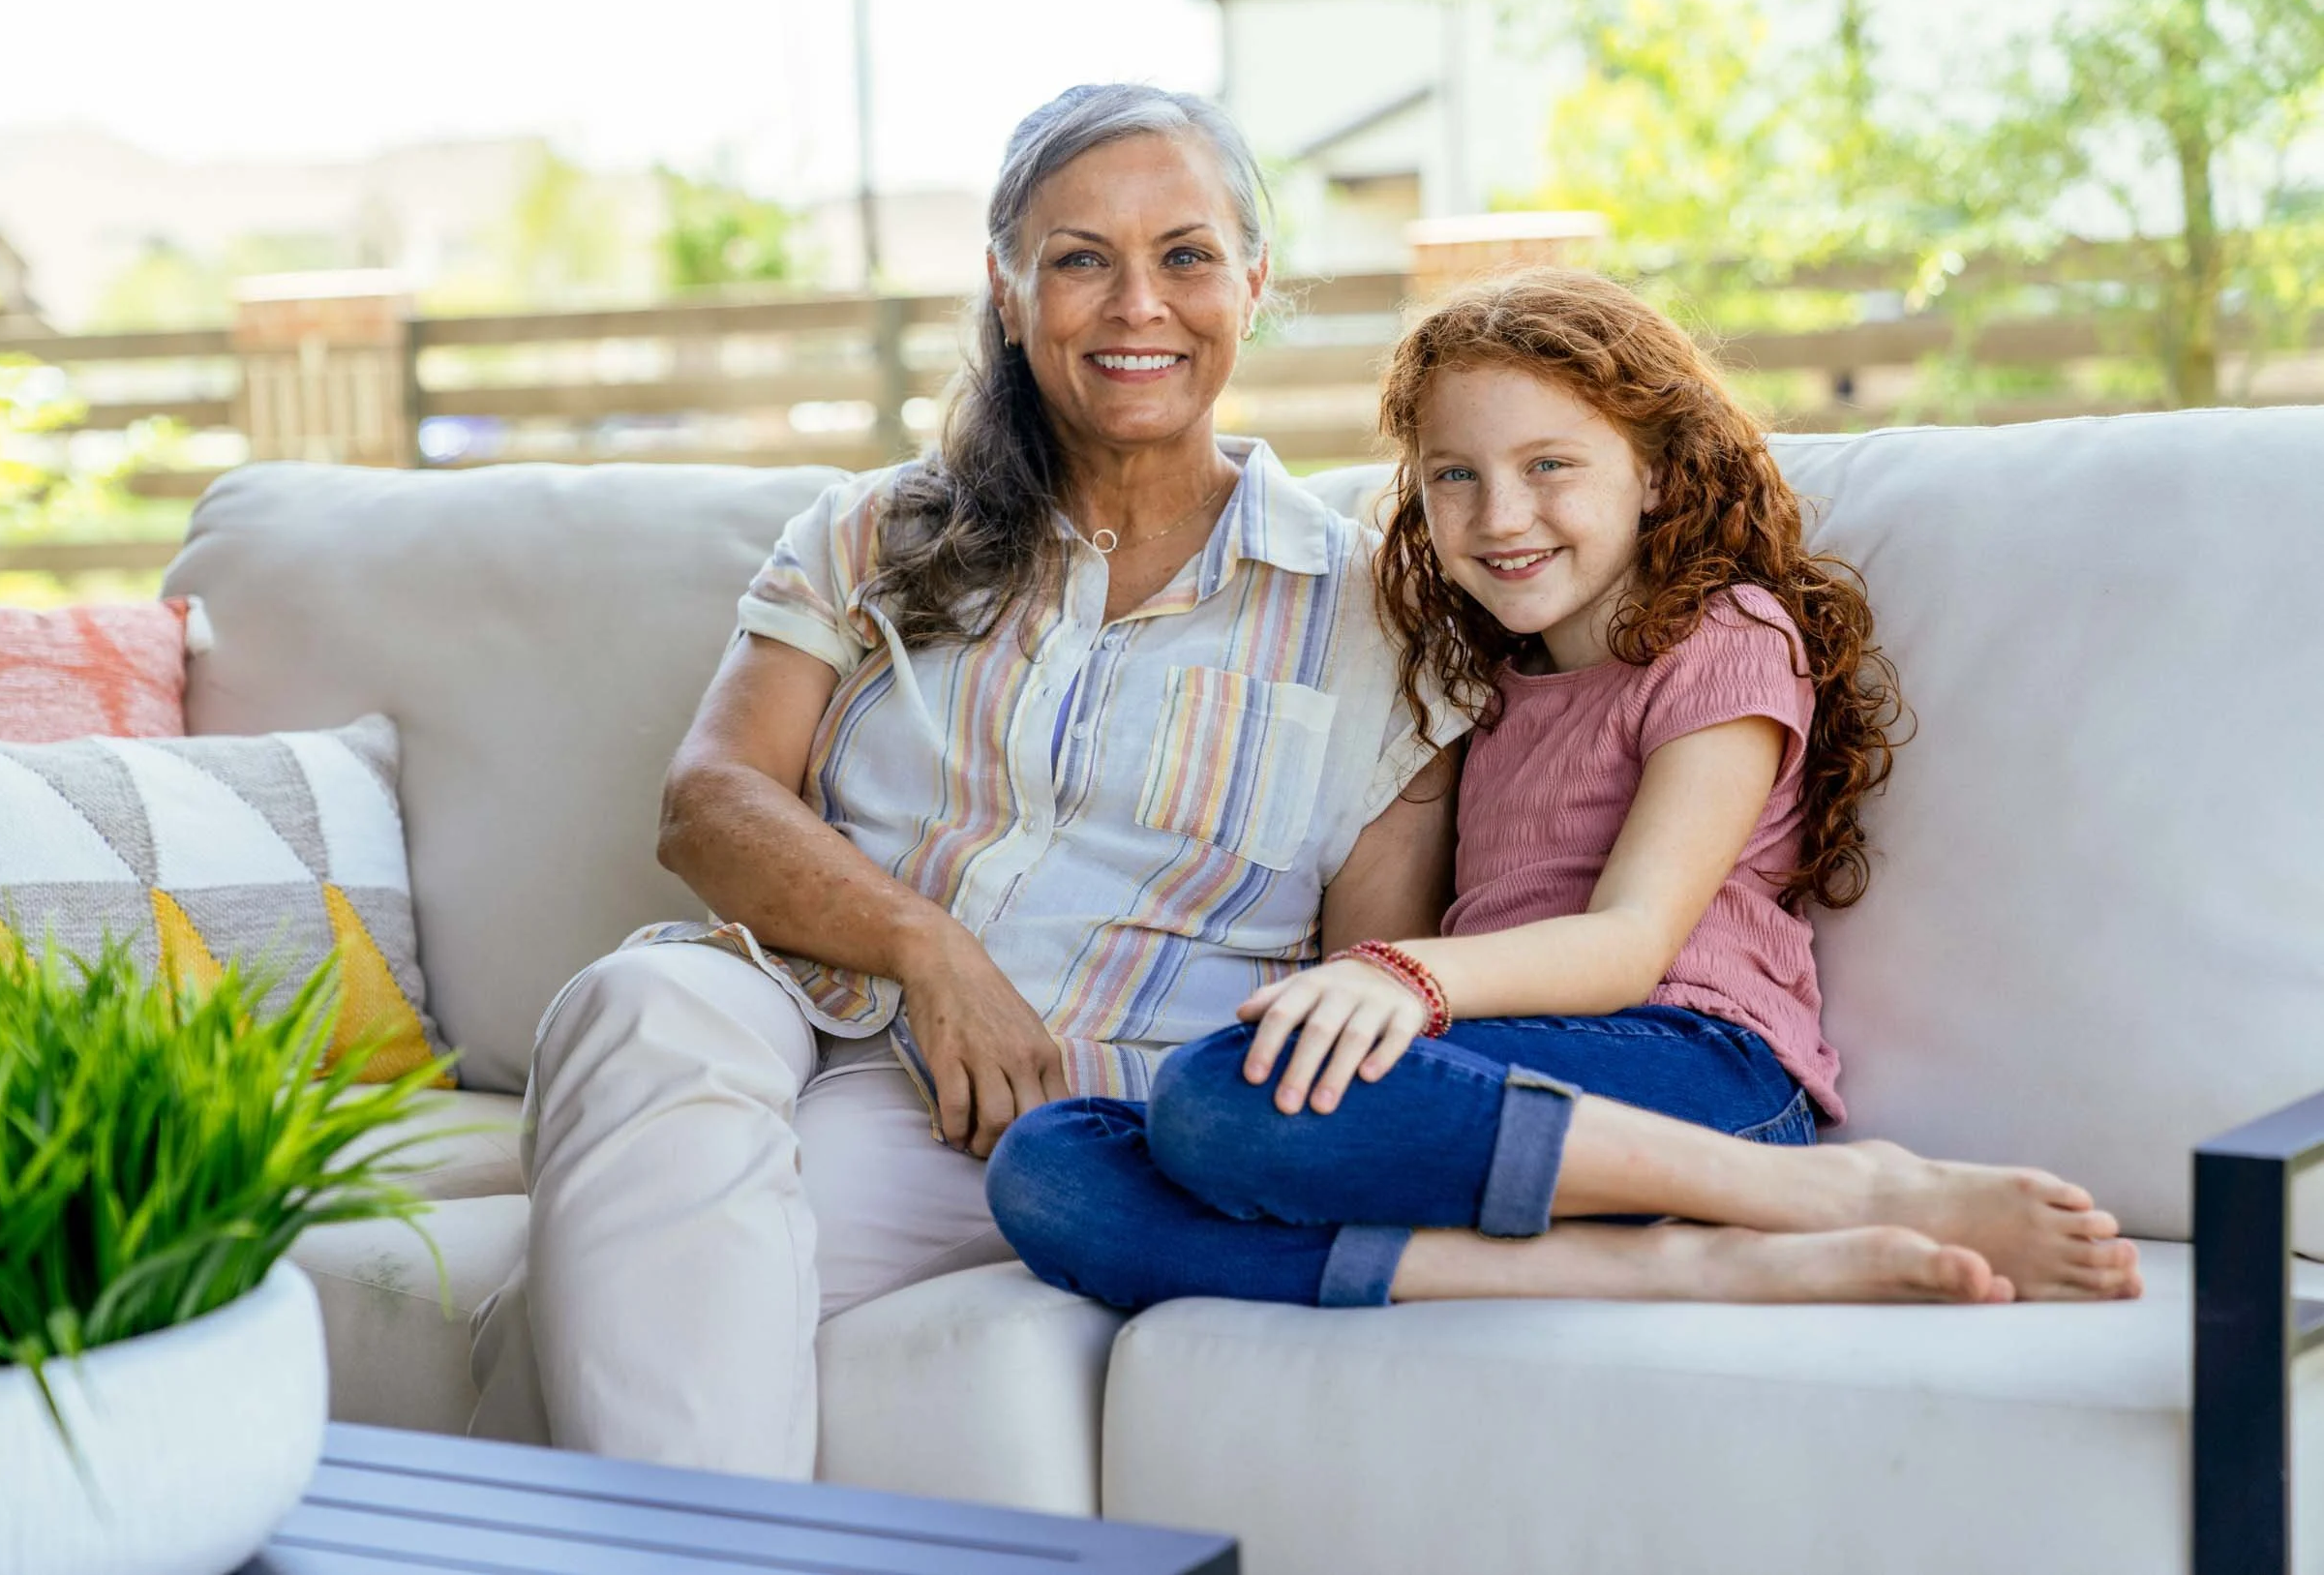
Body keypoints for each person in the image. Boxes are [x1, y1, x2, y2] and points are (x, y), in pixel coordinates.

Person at [465, 84, 1462, 1473]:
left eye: (1183, 254)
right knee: (636, 999)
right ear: (1006, 292)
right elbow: (711, 801)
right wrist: (929, 947)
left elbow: (1363, 974)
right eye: (1078, 258)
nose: (1136, 305)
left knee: (624, 1281)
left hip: (1037, 1107)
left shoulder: (1374, 615)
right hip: (793, 1005)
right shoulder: (877, 529)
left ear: (1253, 282)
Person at [986, 269, 2148, 1312]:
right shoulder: (1473, 686)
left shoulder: (1726, 640)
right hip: (1492, 1094)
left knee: (1217, 1102)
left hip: (1690, 1070)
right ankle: (1672, 1263)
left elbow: (1629, 942)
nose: (1499, 516)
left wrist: (1405, 979)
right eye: (1455, 475)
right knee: (1052, 1169)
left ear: (1653, 472)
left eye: (1550, 465)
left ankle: (1812, 1190)